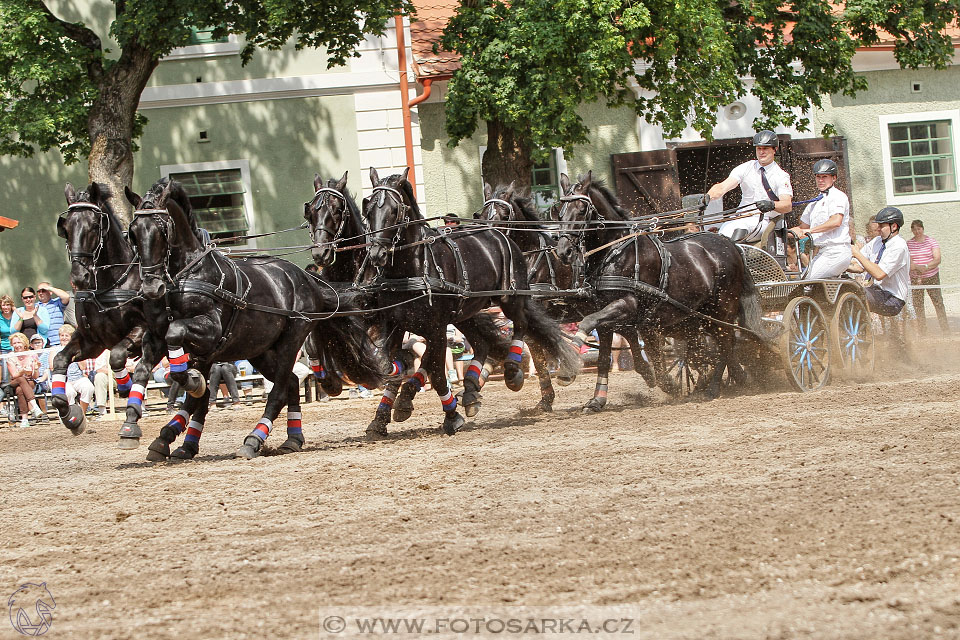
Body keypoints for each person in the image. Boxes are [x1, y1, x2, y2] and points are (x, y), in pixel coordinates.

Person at [706, 130, 793, 242]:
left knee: (738, 229)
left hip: (764, 220)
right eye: (758, 148)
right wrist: (708, 197)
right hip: (740, 217)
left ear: (774, 149)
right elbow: (723, 187)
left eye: (765, 148)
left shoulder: (781, 176)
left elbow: (787, 205)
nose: (761, 152)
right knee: (720, 235)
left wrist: (772, 205)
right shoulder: (746, 167)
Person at [788, 159, 851, 280]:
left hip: (836, 251)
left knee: (804, 282)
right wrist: (782, 233)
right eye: (818, 177)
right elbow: (802, 229)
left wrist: (811, 231)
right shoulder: (814, 203)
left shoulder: (838, 196)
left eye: (825, 177)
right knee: (799, 280)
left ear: (834, 178)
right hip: (822, 252)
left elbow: (836, 221)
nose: (821, 180)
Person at [850, 207, 911, 317]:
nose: (878, 229)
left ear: (894, 226)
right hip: (876, 291)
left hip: (892, 299)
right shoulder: (877, 241)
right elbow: (858, 267)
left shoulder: (899, 246)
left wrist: (857, 253)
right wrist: (840, 265)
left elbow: (879, 274)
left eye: (882, 226)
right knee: (847, 289)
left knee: (857, 293)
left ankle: (863, 329)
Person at [906, 219, 950, 334]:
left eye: (919, 229)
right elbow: (909, 262)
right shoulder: (909, 244)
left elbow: (937, 259)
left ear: (922, 229)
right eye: (914, 229)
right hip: (916, 278)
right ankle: (922, 331)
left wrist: (924, 266)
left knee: (938, 302)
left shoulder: (931, 241)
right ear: (912, 230)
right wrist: (917, 268)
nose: (917, 231)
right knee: (918, 304)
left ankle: (945, 329)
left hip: (932, 276)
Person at [5, 332, 46, 427]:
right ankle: (34, 406)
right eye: (14, 343)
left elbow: (35, 376)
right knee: (20, 379)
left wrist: (35, 369)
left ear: (24, 343)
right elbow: (14, 375)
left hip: (29, 381)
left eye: (19, 342)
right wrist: (23, 371)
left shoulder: (32, 354)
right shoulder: (10, 356)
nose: (17, 345)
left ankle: (25, 419)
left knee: (20, 390)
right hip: (15, 381)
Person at [36, 282, 71, 346]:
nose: (41, 293)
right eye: (39, 291)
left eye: (43, 290)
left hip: (59, 342)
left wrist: (50, 288)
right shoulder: (35, 307)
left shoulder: (57, 302)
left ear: (50, 292)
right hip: (43, 344)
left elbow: (66, 296)